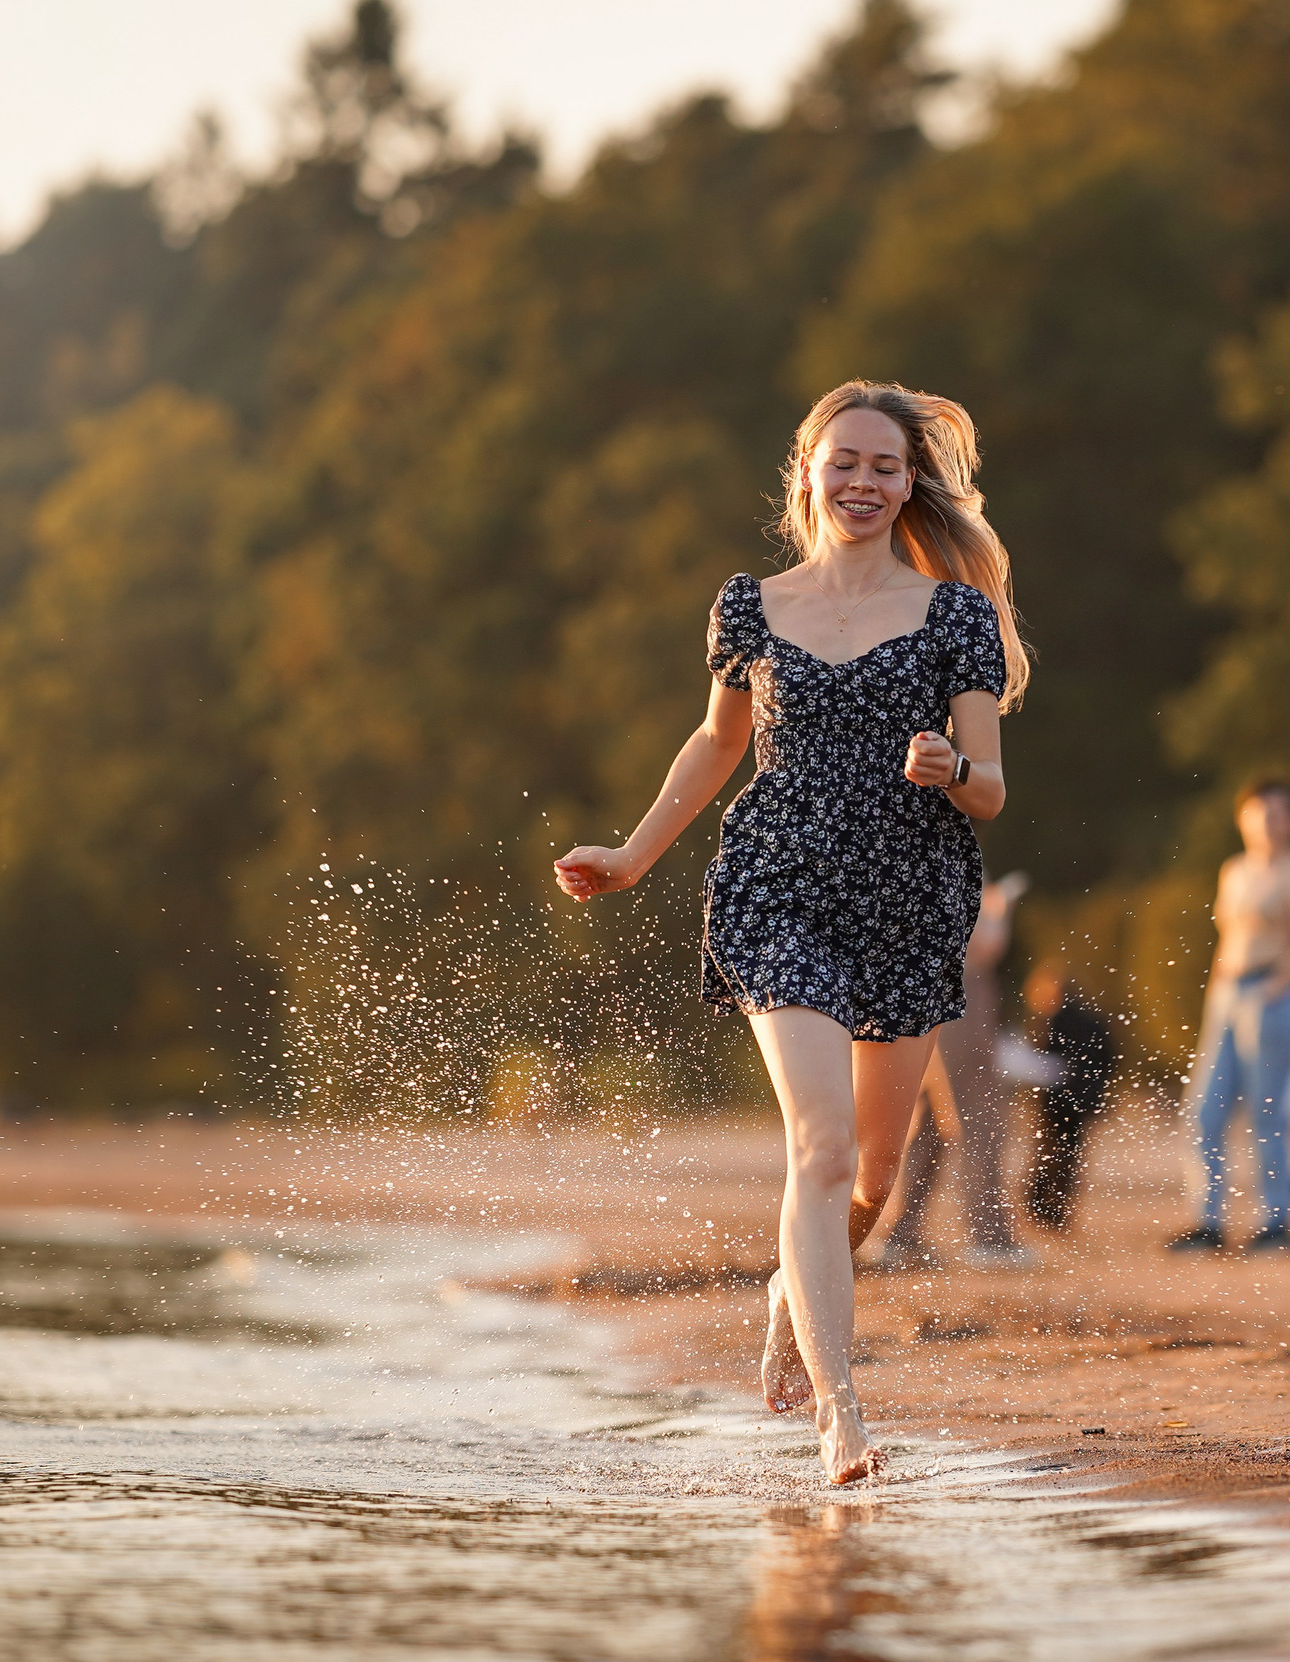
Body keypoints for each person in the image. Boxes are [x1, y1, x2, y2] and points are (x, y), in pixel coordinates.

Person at [554, 381, 1029, 1485]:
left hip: (909, 900)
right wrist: (632, 855)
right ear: (805, 469)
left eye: (886, 467)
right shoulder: (749, 606)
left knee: (872, 1169)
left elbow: (994, 788)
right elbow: (717, 745)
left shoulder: (955, 615)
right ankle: (840, 1412)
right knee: (815, 1149)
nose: (864, 483)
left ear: (912, 483)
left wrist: (953, 770)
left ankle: (789, 1294)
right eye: (845, 462)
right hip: (779, 887)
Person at [1168, 780, 1290, 1254]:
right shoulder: (1234, 870)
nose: (1271, 821)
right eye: (1262, 811)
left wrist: (1275, 987)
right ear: (1243, 818)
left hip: (1275, 991)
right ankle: (1207, 1219)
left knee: (1268, 1113)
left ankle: (1276, 1221)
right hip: (1227, 993)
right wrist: (1219, 992)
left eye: (1281, 812)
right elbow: (1227, 935)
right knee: (1203, 1110)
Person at [877, 873, 1031, 1271]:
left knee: (930, 1119)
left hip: (919, 989)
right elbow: (983, 943)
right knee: (981, 1115)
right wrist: (998, 909)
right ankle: (990, 1238)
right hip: (957, 988)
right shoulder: (948, 851)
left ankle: (899, 1234)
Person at [1020, 962, 1115, 1232]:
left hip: (1057, 1102)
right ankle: (1056, 1210)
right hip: (1083, 1102)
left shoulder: (1052, 1019)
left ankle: (1041, 1207)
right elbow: (1108, 1059)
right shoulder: (1093, 1020)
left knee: (1047, 1153)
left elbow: (1041, 1062)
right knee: (1069, 1156)